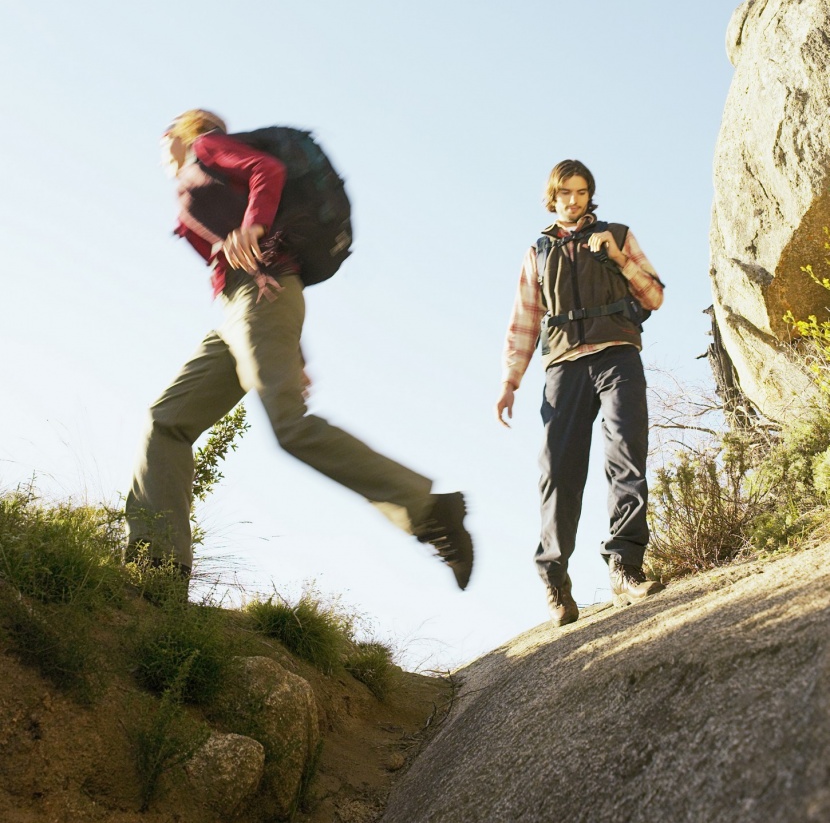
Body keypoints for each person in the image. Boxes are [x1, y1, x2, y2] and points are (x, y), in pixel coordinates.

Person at [126, 109, 473, 589]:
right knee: (166, 420)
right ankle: (155, 571)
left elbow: (267, 171)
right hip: (242, 311)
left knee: (290, 426)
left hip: (259, 298)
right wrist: (297, 353)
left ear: (179, 133)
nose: (161, 145)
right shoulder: (197, 182)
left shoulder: (205, 148)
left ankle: (430, 510)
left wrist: (254, 223)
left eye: (164, 135)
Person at [495, 159, 664, 625]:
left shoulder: (618, 236)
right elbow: (525, 321)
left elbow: (654, 296)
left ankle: (626, 568)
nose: (574, 200)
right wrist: (511, 381)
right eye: (565, 193)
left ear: (591, 195)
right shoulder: (539, 251)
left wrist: (616, 256)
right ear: (553, 197)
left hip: (617, 357)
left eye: (582, 191)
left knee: (627, 454)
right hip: (565, 368)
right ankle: (555, 582)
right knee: (558, 473)